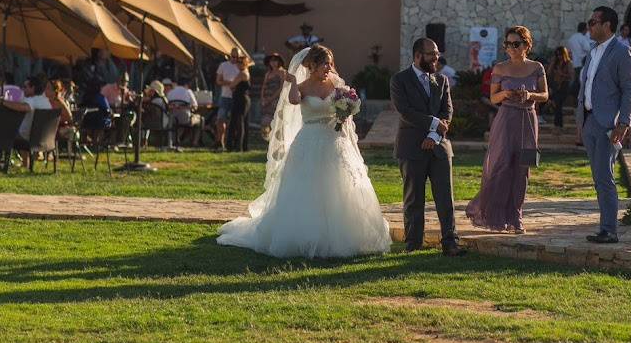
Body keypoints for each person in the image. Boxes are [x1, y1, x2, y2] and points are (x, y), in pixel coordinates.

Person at [218, 44, 390, 258]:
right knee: (309, 189)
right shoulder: (302, 86)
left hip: (335, 141)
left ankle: (342, 235)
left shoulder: (336, 84)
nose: (328, 67)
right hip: (309, 141)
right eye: (324, 63)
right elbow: (293, 100)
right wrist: (291, 82)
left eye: (330, 63)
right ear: (313, 65)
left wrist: (347, 110)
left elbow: (347, 104)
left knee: (338, 187)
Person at [466, 26, 548, 233]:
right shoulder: (500, 68)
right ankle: (494, 215)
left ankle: (516, 216)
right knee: (500, 166)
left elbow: (545, 94)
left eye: (516, 44)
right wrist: (506, 94)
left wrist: (530, 96)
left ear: (526, 45)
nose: (511, 48)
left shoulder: (537, 67)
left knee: (523, 169)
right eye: (508, 44)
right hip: (506, 119)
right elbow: (493, 97)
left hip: (528, 120)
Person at [390, 38, 465, 256]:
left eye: (437, 53)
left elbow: (447, 112)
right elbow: (405, 111)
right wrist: (434, 123)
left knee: (445, 197)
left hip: (439, 147)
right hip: (411, 147)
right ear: (417, 56)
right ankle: (413, 243)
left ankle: (450, 243)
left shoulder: (441, 80)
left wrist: (434, 135)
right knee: (414, 198)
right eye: (431, 53)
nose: (436, 57)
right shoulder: (399, 80)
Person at [576, 6, 631, 244]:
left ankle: (609, 230)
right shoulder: (592, 52)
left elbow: (630, 89)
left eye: (593, 22)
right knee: (598, 176)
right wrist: (580, 118)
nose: (589, 26)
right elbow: (586, 86)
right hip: (591, 120)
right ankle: (605, 227)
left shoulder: (622, 51)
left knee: (604, 177)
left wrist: (624, 122)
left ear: (607, 25)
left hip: (609, 124)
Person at [0, 75, 52, 169]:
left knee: (3, 132)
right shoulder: (46, 101)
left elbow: (23, 107)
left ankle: (2, 163)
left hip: (27, 138)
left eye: (25, 87)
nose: (22, 89)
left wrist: (3, 102)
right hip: (43, 138)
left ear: (33, 88)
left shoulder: (31, 101)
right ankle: (25, 164)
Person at [215, 47, 244, 149]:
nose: (235, 59)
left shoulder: (241, 67)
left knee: (234, 122)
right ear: (229, 55)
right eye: (233, 56)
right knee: (220, 119)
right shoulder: (223, 65)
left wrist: (235, 84)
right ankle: (220, 141)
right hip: (225, 96)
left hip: (236, 98)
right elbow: (218, 81)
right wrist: (228, 83)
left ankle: (232, 143)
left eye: (237, 57)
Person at [226, 54, 252, 152]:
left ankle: (237, 146)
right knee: (243, 122)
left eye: (240, 62)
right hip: (244, 99)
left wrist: (231, 84)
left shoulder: (242, 73)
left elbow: (232, 85)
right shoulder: (246, 72)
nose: (238, 64)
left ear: (244, 63)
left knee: (238, 122)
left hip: (240, 99)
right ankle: (243, 146)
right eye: (237, 62)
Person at [260, 53, 287, 139]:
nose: (273, 62)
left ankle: (278, 140)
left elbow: (282, 88)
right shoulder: (268, 73)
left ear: (279, 61)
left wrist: (271, 99)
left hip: (277, 101)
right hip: (266, 101)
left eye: (275, 60)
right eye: (271, 60)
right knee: (265, 122)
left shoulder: (282, 72)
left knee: (277, 122)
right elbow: (264, 87)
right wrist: (262, 98)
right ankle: (268, 139)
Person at [546, 46, 574, 128]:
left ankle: (558, 124)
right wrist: (553, 62)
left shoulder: (568, 63)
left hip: (564, 86)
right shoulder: (556, 63)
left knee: (558, 104)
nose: (559, 57)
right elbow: (549, 73)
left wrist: (561, 74)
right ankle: (558, 124)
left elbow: (571, 75)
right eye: (557, 55)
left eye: (560, 55)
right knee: (557, 105)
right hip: (556, 86)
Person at [143, 80, 172, 150]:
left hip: (157, 123)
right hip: (163, 123)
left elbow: (149, 113)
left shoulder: (154, 101)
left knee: (142, 122)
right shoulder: (163, 100)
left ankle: (143, 141)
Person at [566, 22, 592, 92]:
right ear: (584, 30)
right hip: (581, 63)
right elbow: (588, 49)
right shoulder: (582, 38)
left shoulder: (571, 38)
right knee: (580, 82)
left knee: (574, 81)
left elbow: (569, 52)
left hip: (573, 63)